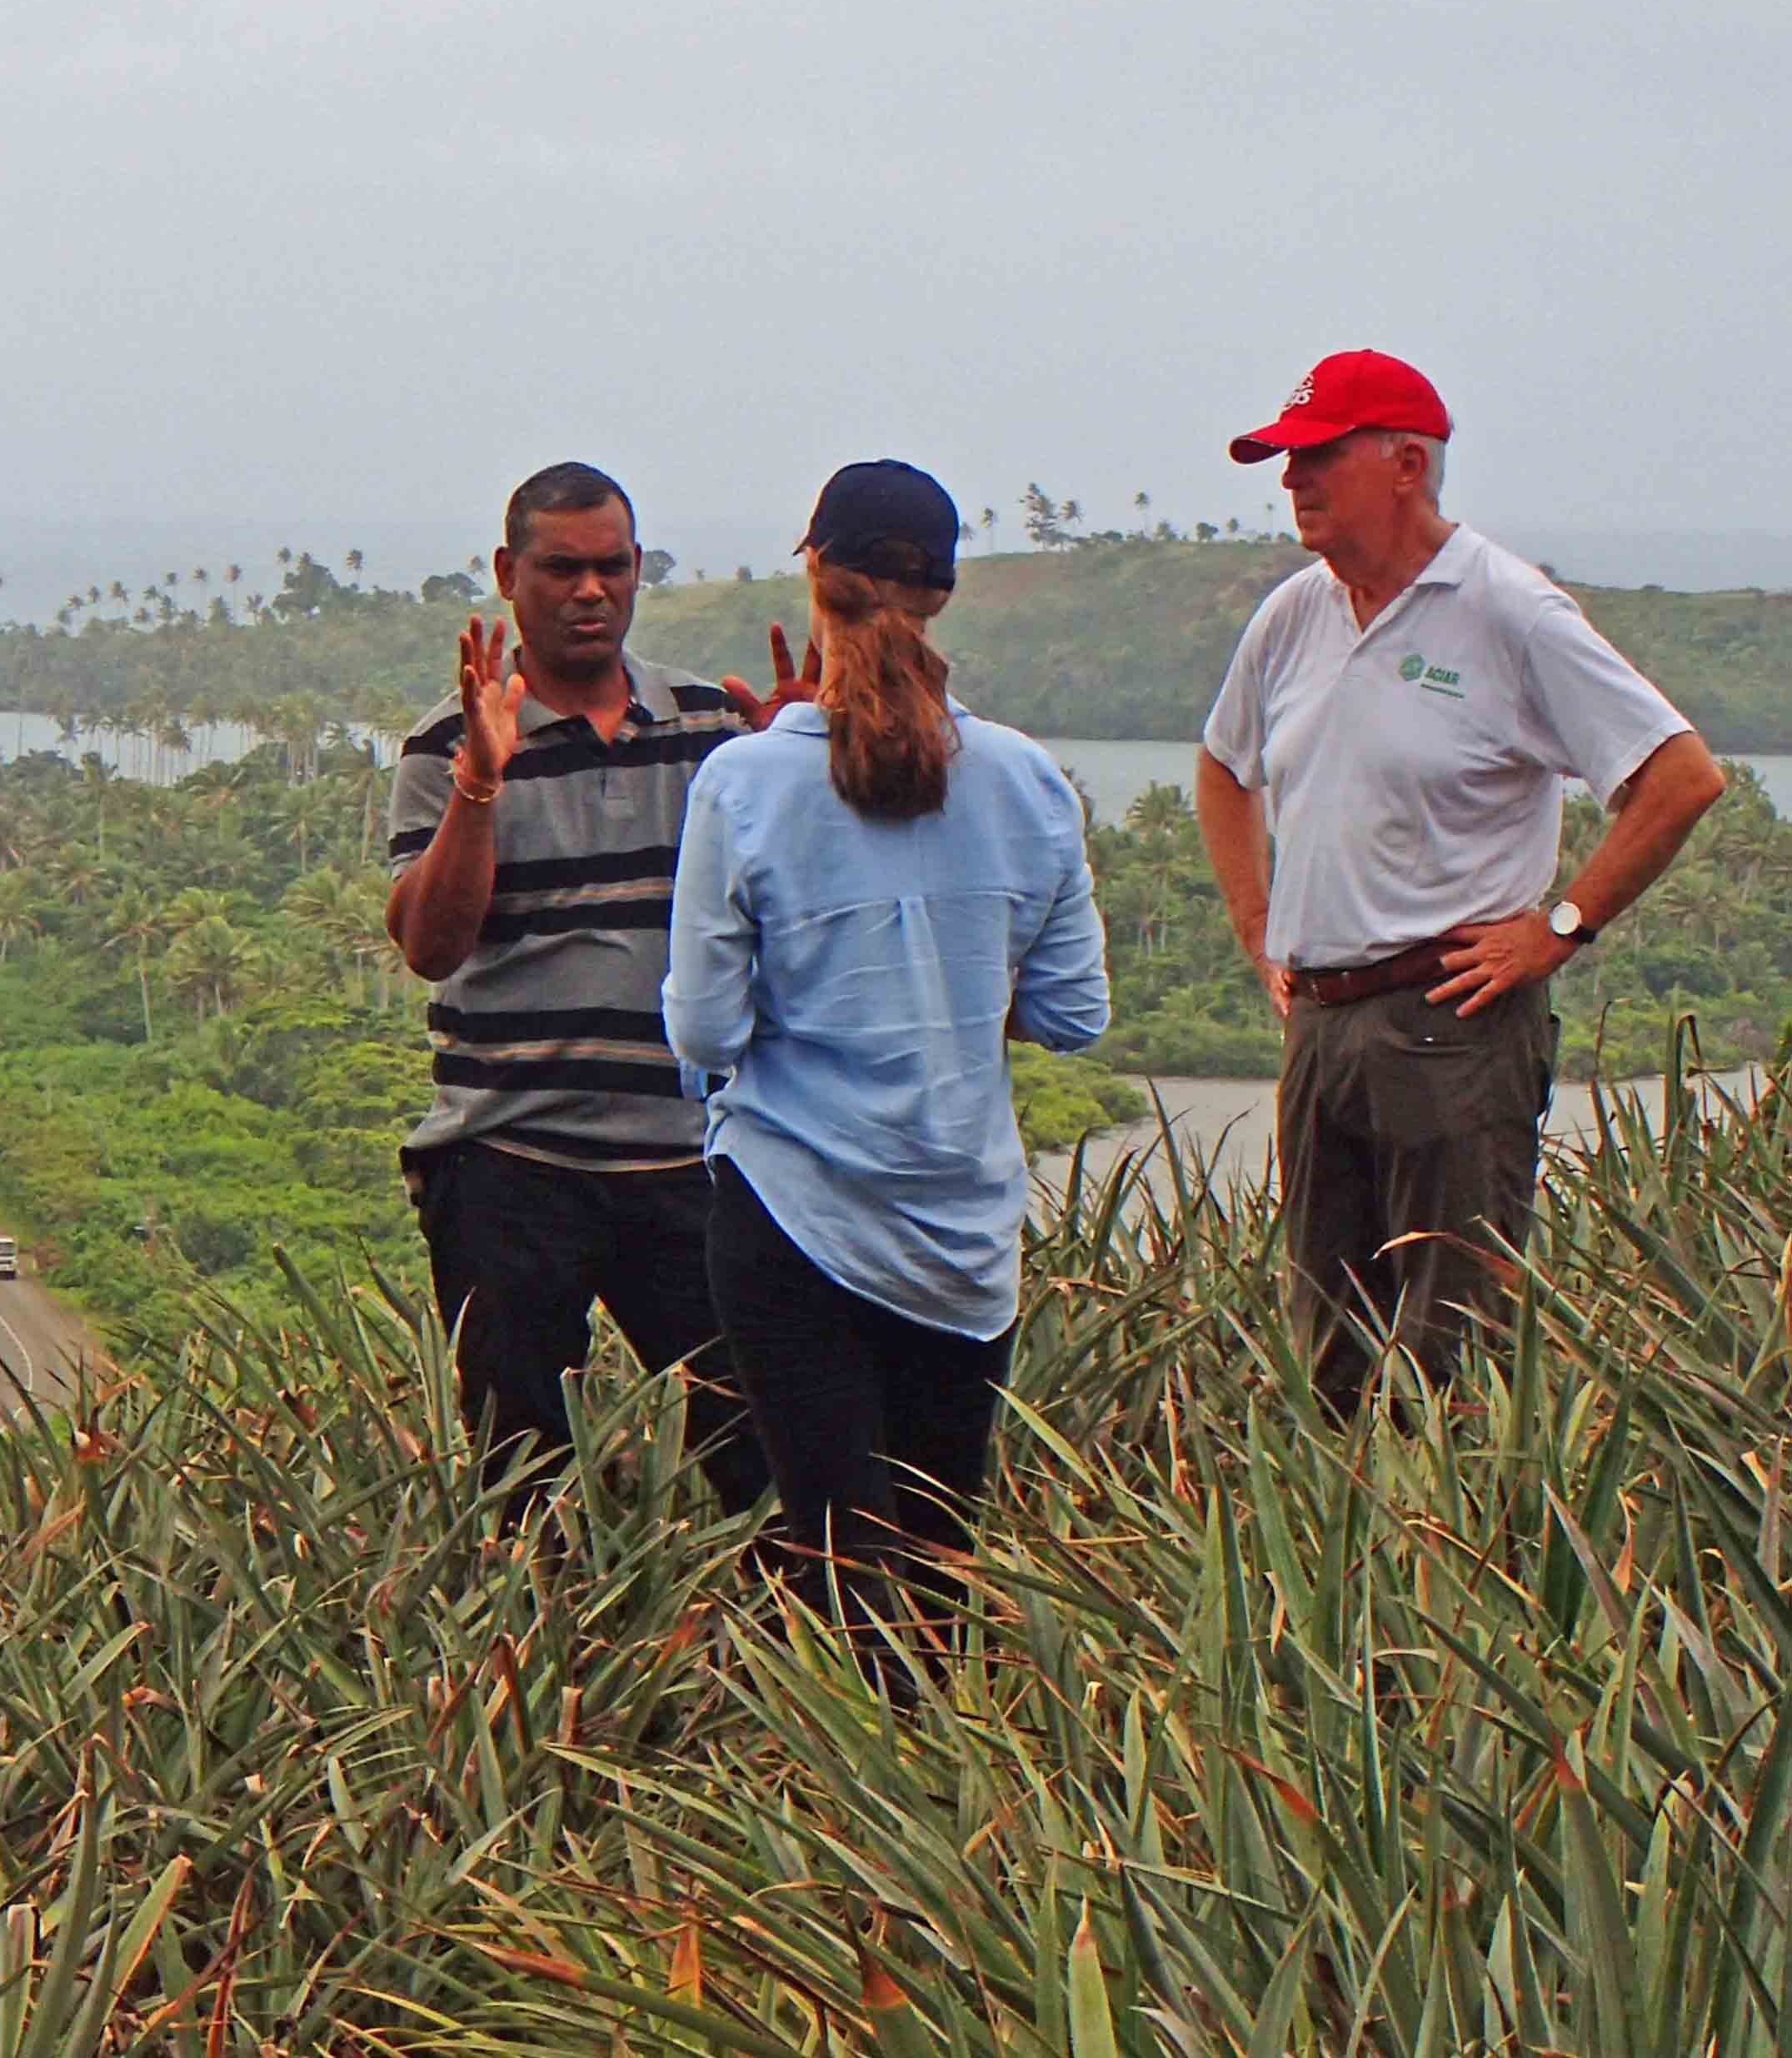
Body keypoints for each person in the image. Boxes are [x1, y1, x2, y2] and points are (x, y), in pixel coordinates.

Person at [1198, 350, 1726, 1414]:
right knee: (1329, 1348)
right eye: (1284, 460)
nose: (1293, 479)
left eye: (1318, 456)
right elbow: (1222, 766)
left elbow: (1679, 775)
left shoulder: (1508, 611)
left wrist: (1560, 927)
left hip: (1449, 1019)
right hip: (1321, 1023)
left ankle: (1463, 1557)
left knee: (1451, 1352)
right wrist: (1259, 926)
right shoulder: (1293, 615)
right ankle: (1342, 1566)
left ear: (1405, 462)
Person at [662, 460, 1109, 1678]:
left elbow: (701, 1033)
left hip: (791, 1222)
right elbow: (1071, 1015)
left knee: (833, 1557)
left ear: (813, 572)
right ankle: (940, 1811)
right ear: (942, 596)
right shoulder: (1024, 783)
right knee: (937, 1569)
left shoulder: (744, 782)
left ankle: (838, 1816)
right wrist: (950, 996)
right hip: (961, 1240)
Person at [386, 460, 804, 1512]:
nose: (589, 591)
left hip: (692, 1160)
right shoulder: (446, 743)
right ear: (505, 573)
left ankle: (775, 1665)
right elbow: (431, 943)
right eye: (560, 568)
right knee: (518, 1479)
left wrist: (804, 770)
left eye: (611, 567)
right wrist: (481, 782)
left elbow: (799, 914)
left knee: (763, 1451)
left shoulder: (714, 727)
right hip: (509, 1165)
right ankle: (534, 1667)